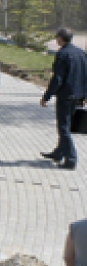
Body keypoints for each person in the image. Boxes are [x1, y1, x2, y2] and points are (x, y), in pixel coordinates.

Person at [41, 28, 87, 170]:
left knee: (63, 127)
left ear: (61, 38)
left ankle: (71, 158)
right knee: (66, 125)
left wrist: (47, 96)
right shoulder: (81, 53)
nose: (56, 40)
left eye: (57, 37)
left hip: (65, 96)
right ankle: (59, 153)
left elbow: (58, 79)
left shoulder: (63, 54)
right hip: (78, 95)